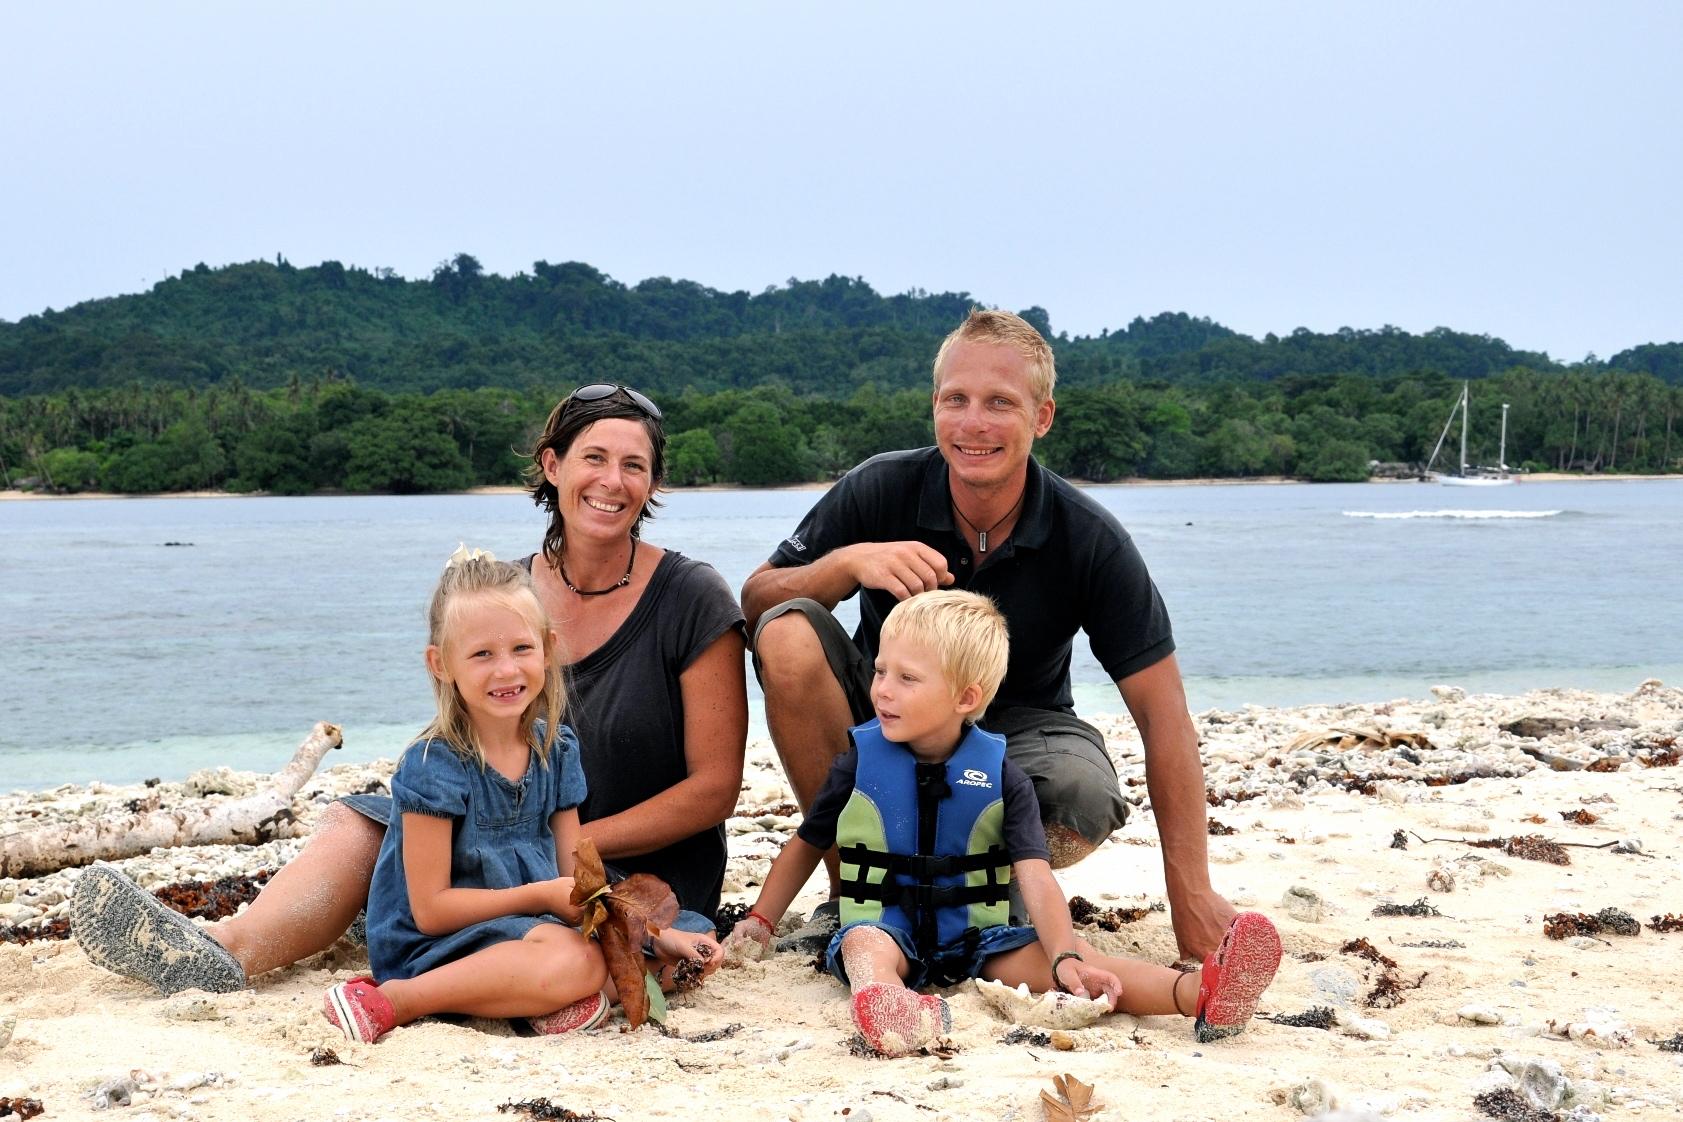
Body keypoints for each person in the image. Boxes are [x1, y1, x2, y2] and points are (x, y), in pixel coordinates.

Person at [73, 384, 746, 996]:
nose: (613, 480)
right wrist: (489, 842)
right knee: (362, 818)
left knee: (611, 954)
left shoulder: (690, 597)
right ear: (552, 467)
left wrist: (553, 854)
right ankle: (223, 951)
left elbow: (714, 788)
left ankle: (443, 970)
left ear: (654, 480)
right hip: (496, 845)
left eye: (634, 465)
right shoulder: (497, 597)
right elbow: (461, 737)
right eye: (593, 458)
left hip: (627, 867)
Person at [742, 310, 1235, 962]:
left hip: (1018, 729)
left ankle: (981, 891)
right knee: (787, 634)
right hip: (883, 718)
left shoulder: (1087, 536)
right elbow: (755, 601)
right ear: (934, 406)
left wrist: (1190, 893)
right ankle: (852, 892)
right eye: (956, 401)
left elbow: (1162, 711)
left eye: (999, 403)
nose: (973, 424)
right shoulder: (880, 487)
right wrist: (846, 564)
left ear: (1042, 417)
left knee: (1080, 796)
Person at [726, 591, 1279, 1056]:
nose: (883, 690)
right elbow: (806, 843)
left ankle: (1200, 994)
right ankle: (890, 1004)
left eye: (907, 678)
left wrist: (1063, 955)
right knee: (864, 945)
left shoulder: (1002, 777)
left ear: (966, 698)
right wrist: (761, 920)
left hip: (978, 939)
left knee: (1083, 966)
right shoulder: (858, 761)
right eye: (880, 670)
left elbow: (1035, 877)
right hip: (886, 924)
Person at [325, 549, 616, 1042]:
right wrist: (542, 895)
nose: (506, 670)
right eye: (482, 654)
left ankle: (526, 998)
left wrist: (643, 931)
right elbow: (432, 910)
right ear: (441, 664)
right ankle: (395, 999)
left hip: (527, 927)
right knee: (580, 961)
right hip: (435, 942)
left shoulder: (557, 749)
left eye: (522, 648)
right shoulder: (434, 765)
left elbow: (576, 878)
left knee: (660, 950)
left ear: (547, 649)